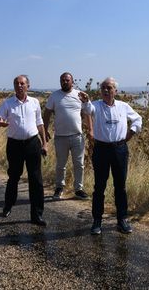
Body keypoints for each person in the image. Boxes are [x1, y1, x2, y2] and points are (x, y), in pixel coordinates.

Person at [79, 77, 142, 235]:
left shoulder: (123, 106)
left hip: (120, 149)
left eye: (109, 88)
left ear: (116, 91)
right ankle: (97, 221)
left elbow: (137, 119)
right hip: (101, 150)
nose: (106, 90)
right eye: (103, 88)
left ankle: (122, 220)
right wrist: (86, 101)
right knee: (99, 187)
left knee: (120, 186)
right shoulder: (96, 105)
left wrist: (131, 132)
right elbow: (87, 111)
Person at [0, 75, 48, 226]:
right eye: (16, 83)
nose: (19, 85)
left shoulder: (35, 102)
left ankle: (37, 215)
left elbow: (40, 123)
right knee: (14, 177)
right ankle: (8, 206)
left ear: (28, 86)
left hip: (32, 144)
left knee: (35, 179)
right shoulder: (8, 103)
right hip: (15, 145)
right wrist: (0, 123)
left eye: (22, 83)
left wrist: (44, 143)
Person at [43, 72, 89, 200]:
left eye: (67, 80)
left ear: (72, 82)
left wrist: (91, 130)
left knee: (79, 164)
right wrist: (45, 130)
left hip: (77, 136)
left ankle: (78, 189)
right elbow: (46, 113)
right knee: (60, 165)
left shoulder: (79, 95)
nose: (65, 82)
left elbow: (86, 113)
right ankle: (59, 188)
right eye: (62, 80)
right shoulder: (54, 96)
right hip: (60, 137)